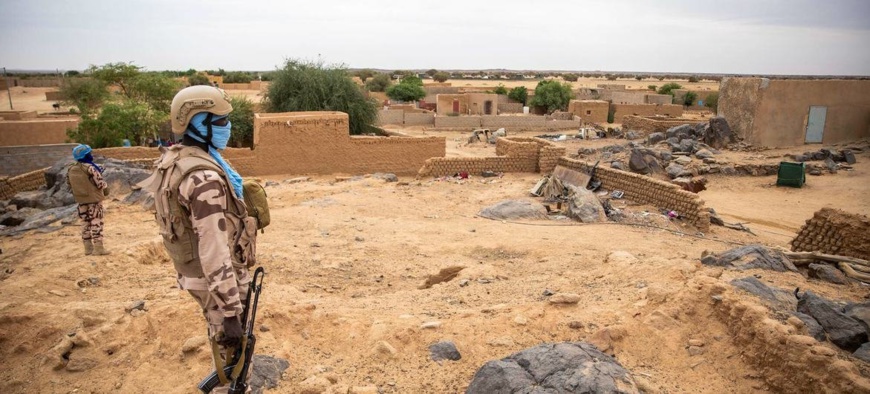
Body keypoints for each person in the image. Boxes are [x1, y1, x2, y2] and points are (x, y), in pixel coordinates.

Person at [139, 85, 257, 392]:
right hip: (217, 280)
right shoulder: (203, 178)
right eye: (219, 121)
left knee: (229, 353)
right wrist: (231, 311)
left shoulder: (177, 159)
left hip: (202, 277)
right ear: (196, 122)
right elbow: (214, 248)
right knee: (233, 361)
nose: (227, 127)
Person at [67, 144, 110, 256]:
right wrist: (106, 188)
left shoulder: (71, 169)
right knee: (96, 222)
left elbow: (69, 184)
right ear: (86, 155)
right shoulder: (90, 168)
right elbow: (100, 184)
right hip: (94, 200)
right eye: (89, 153)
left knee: (85, 223)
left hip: (81, 200)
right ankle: (98, 248)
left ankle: (88, 248)